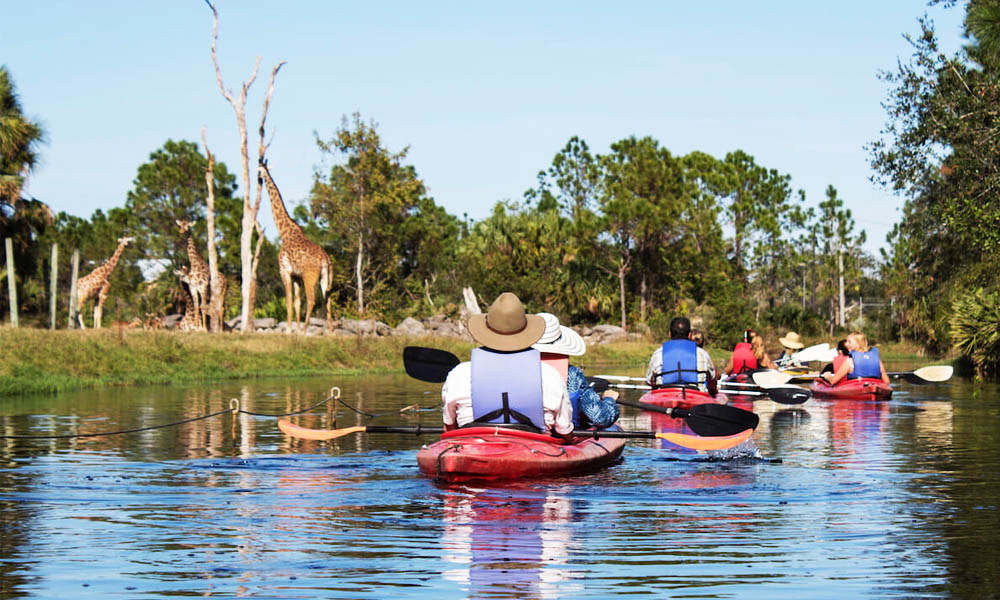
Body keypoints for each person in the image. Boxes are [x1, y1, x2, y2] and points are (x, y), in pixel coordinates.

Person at [441, 292, 574, 436]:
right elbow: (564, 430)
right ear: (526, 331)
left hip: (471, 444)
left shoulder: (459, 373)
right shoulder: (549, 374)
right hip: (536, 446)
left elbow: (449, 427)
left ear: (486, 330)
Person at [532, 313, 620, 430]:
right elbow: (599, 417)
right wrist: (609, 400)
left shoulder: (519, 369)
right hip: (562, 435)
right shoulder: (572, 374)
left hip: (523, 434)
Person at [645, 316, 717, 394]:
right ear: (689, 335)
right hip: (696, 397)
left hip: (666, 396)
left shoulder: (658, 354)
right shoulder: (702, 354)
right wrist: (713, 393)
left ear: (669, 334)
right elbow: (712, 379)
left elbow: (650, 381)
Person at [820, 332, 890, 386]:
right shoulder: (877, 360)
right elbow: (887, 382)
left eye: (849, 342)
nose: (847, 344)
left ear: (857, 344)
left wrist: (828, 376)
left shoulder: (850, 361)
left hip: (857, 389)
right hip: (873, 387)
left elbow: (833, 381)